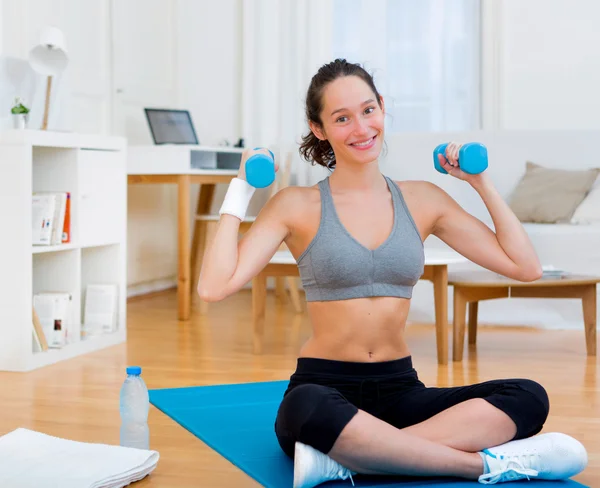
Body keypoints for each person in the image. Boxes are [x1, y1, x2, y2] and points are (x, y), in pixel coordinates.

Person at [197, 59, 588, 487]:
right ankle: (482, 466)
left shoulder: (423, 199)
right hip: (326, 387)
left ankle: (352, 459)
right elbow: (215, 287)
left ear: (382, 107)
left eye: (368, 110)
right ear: (319, 128)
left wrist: (480, 183)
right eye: (342, 118)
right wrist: (241, 187)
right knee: (304, 408)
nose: (361, 128)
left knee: (526, 396)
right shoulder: (296, 205)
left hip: (400, 389)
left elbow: (524, 267)